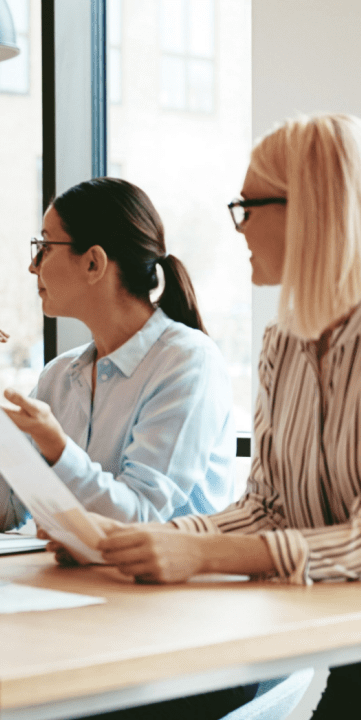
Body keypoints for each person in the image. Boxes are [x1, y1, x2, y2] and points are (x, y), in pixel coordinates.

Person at [78, 114, 361, 720]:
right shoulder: (283, 344)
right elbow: (267, 507)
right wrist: (146, 541)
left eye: (248, 207)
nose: (240, 228)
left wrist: (202, 556)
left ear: (305, 209)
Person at [0, 178, 241, 532]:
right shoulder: (59, 376)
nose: (33, 266)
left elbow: (141, 518)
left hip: (168, 586)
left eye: (45, 246)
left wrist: (56, 448)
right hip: (78, 579)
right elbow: (4, 515)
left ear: (93, 263)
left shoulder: (188, 362)